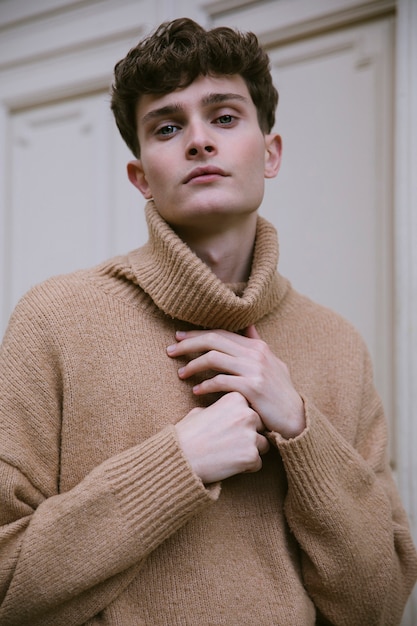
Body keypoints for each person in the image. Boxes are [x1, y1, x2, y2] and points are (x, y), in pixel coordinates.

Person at [0, 17, 416, 626]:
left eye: (224, 117)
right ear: (141, 177)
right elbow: (8, 585)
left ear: (269, 154)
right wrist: (177, 465)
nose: (199, 140)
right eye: (168, 127)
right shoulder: (54, 320)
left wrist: (300, 429)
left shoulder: (339, 345)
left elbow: (378, 605)